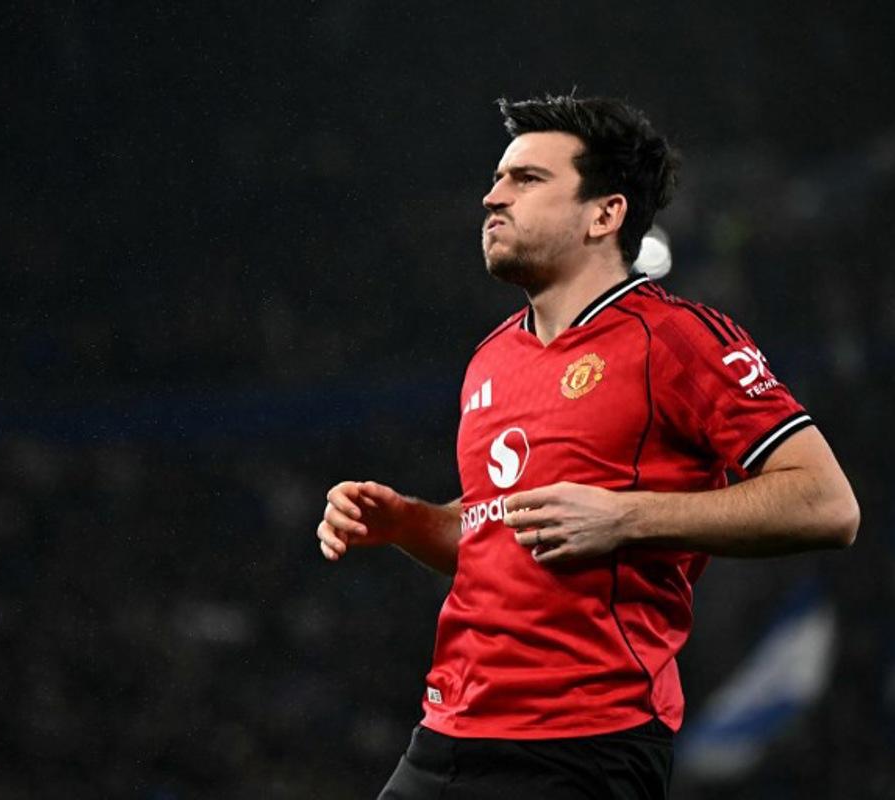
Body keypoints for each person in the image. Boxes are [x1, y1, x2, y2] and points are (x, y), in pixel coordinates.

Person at [316, 94, 860, 800]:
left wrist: (626, 517)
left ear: (605, 215)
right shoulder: (490, 359)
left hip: (585, 746)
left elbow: (828, 504)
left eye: (526, 180)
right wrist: (407, 523)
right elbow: (498, 538)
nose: (491, 197)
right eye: (497, 178)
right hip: (449, 734)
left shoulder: (677, 339)